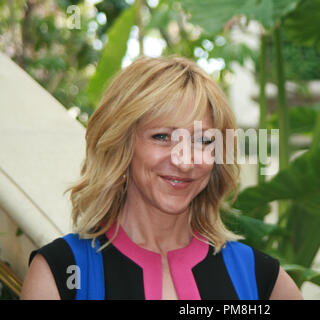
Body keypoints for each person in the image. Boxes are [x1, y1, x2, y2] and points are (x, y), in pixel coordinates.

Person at [20, 56, 303, 300]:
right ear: (122, 144)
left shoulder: (260, 278)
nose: (184, 160)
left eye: (203, 141)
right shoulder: (60, 273)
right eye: (162, 137)